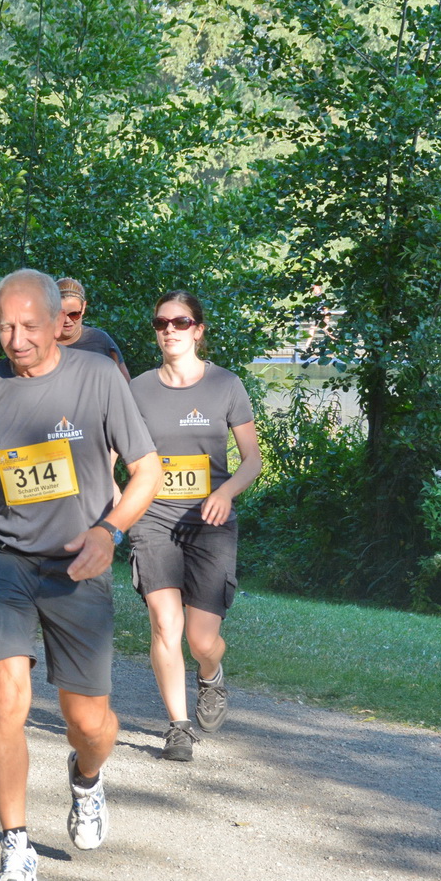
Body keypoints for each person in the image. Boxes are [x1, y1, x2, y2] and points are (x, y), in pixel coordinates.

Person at [0, 268, 161, 881]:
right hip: (5, 564)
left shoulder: (99, 379)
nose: (17, 339)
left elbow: (147, 470)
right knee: (6, 697)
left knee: (90, 723)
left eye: (29, 326)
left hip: (79, 565)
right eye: (5, 326)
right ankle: (16, 845)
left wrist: (109, 533)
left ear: (60, 322)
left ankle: (86, 778)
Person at [129, 291, 262, 760]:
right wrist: (115, 503)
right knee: (165, 623)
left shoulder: (226, 384)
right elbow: (113, 452)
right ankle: (178, 727)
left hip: (210, 519)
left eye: (180, 322)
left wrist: (225, 493)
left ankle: (210, 674)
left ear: (198, 330)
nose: (170, 330)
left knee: (201, 640)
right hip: (153, 517)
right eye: (161, 323)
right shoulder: (138, 389)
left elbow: (252, 459)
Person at [56, 277, 129, 377]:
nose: (67, 320)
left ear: (83, 307)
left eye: (74, 314)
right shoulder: (43, 344)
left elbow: (125, 383)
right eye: (61, 314)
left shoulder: (101, 341)